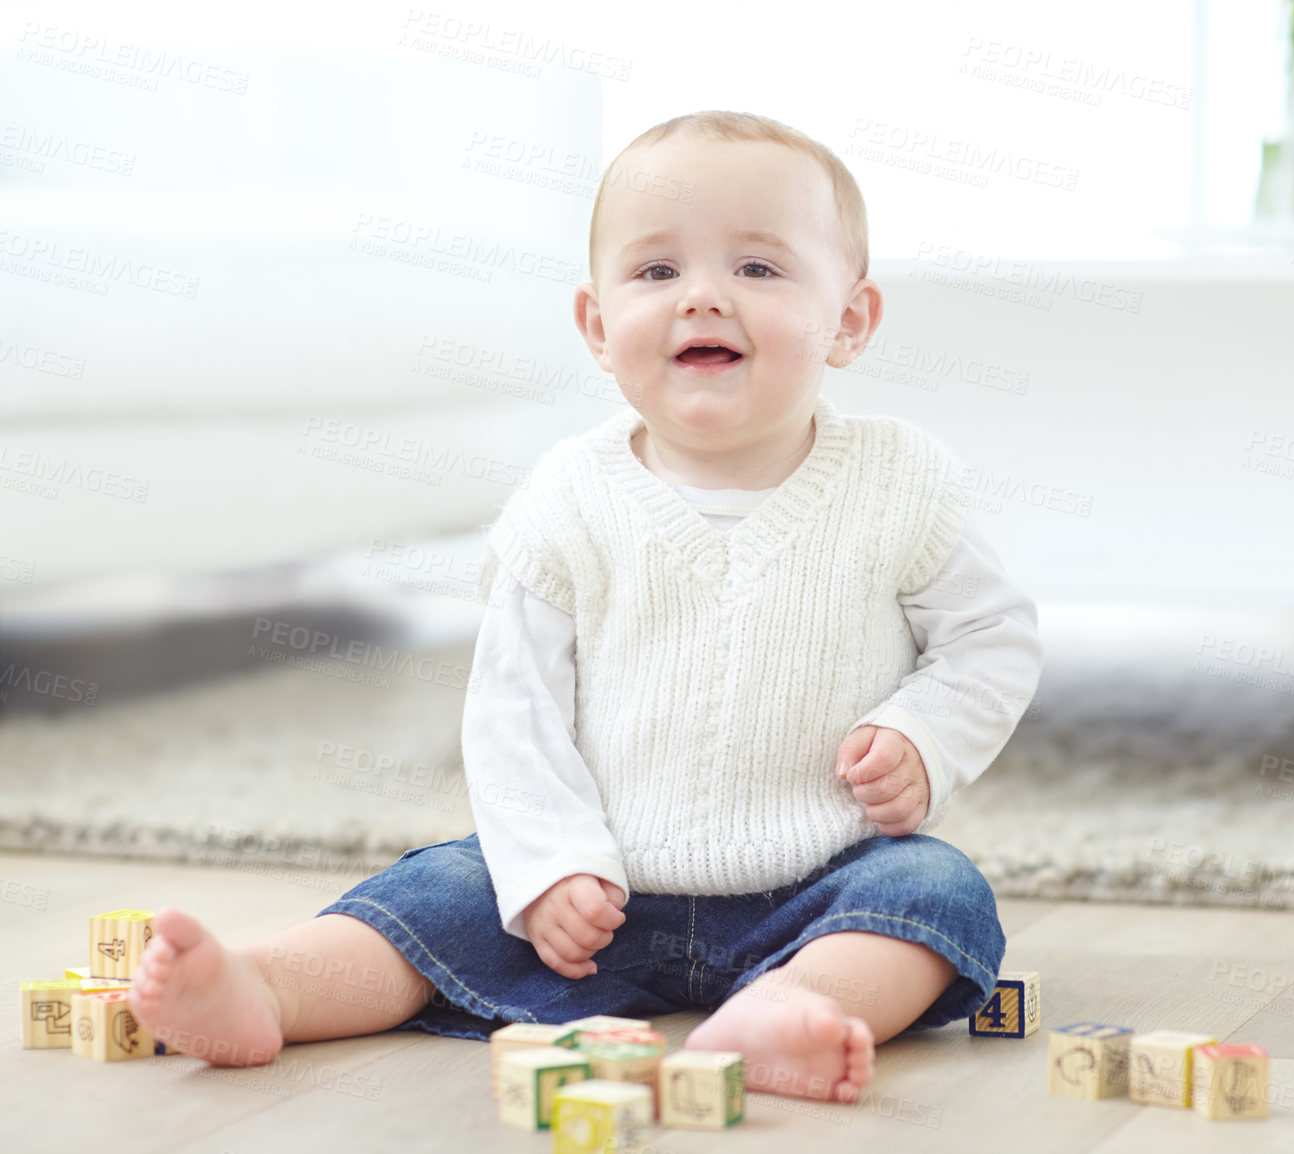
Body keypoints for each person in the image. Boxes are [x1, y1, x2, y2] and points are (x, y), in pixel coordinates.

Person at [131, 109, 1044, 1104]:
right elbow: (511, 707)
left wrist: (921, 732)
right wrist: (549, 864)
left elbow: (990, 638)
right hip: (595, 893)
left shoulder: (898, 480)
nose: (703, 297)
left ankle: (786, 1006)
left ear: (851, 320)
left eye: (758, 268)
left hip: (817, 881)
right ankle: (270, 983)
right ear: (599, 328)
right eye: (657, 272)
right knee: (441, 886)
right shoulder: (567, 498)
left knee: (932, 892)